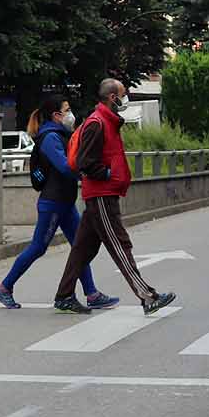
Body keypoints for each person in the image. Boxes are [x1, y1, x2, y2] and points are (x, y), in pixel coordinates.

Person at [52, 78, 177, 316]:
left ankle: (64, 295)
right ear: (113, 97)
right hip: (101, 195)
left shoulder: (107, 122)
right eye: (123, 93)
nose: (126, 97)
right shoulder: (97, 123)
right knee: (120, 245)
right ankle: (147, 296)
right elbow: (84, 162)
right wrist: (108, 174)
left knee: (83, 250)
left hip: (101, 194)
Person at [0, 94, 119, 311]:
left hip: (64, 202)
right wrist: (92, 173)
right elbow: (65, 167)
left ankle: (92, 294)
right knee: (38, 247)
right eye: (67, 109)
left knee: (80, 247)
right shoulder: (51, 138)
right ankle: (4, 287)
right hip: (53, 203)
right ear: (56, 115)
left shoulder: (61, 134)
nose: (71, 114)